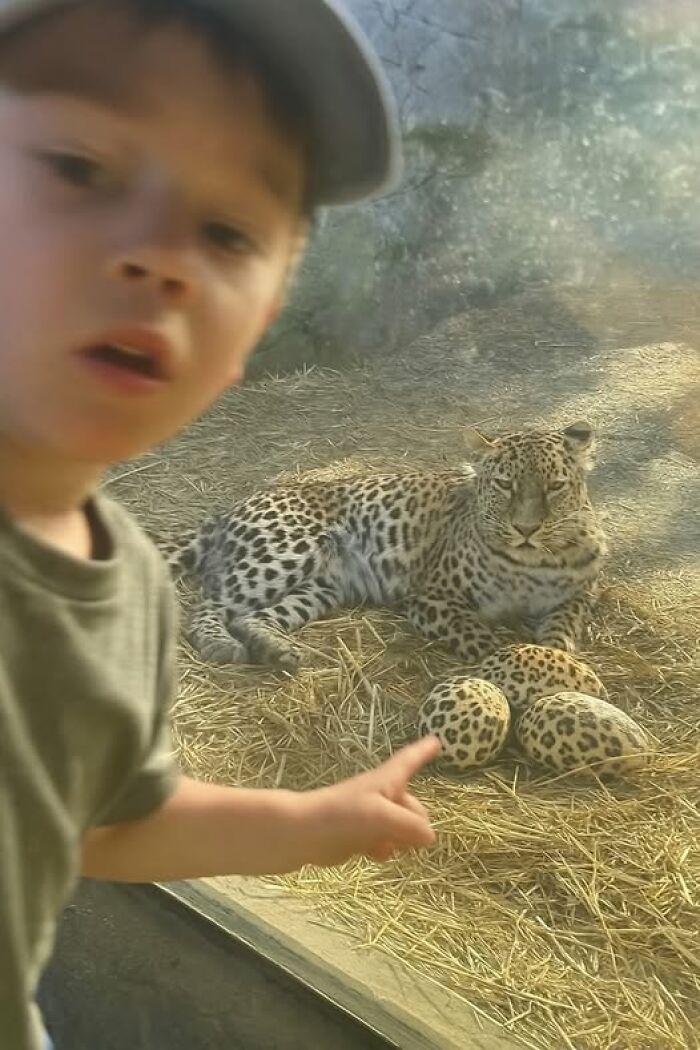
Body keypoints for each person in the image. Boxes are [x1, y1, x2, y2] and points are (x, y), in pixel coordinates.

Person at [0, 0, 441, 1046]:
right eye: (79, 166)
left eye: (228, 231)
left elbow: (104, 824)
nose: (161, 256)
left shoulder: (138, 588)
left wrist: (305, 824)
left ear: (256, 331)